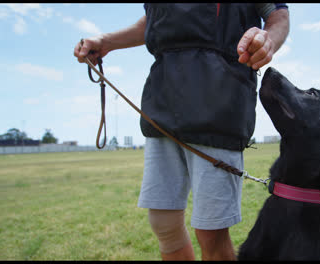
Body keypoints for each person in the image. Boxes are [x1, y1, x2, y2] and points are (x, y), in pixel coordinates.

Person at [74, 3, 289, 260]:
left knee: (211, 230)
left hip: (219, 101)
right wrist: (106, 41)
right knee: (163, 223)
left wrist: (269, 40)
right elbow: (155, 20)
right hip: (162, 102)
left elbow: (278, 15)